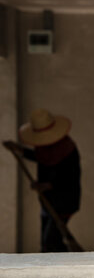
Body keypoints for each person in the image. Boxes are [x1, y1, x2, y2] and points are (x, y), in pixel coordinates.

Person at [3, 108, 81, 252]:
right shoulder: (44, 149)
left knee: (50, 241)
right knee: (47, 244)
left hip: (63, 201)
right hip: (47, 200)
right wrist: (19, 149)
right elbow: (42, 158)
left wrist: (48, 185)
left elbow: (69, 177)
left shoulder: (67, 149)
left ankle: (67, 266)